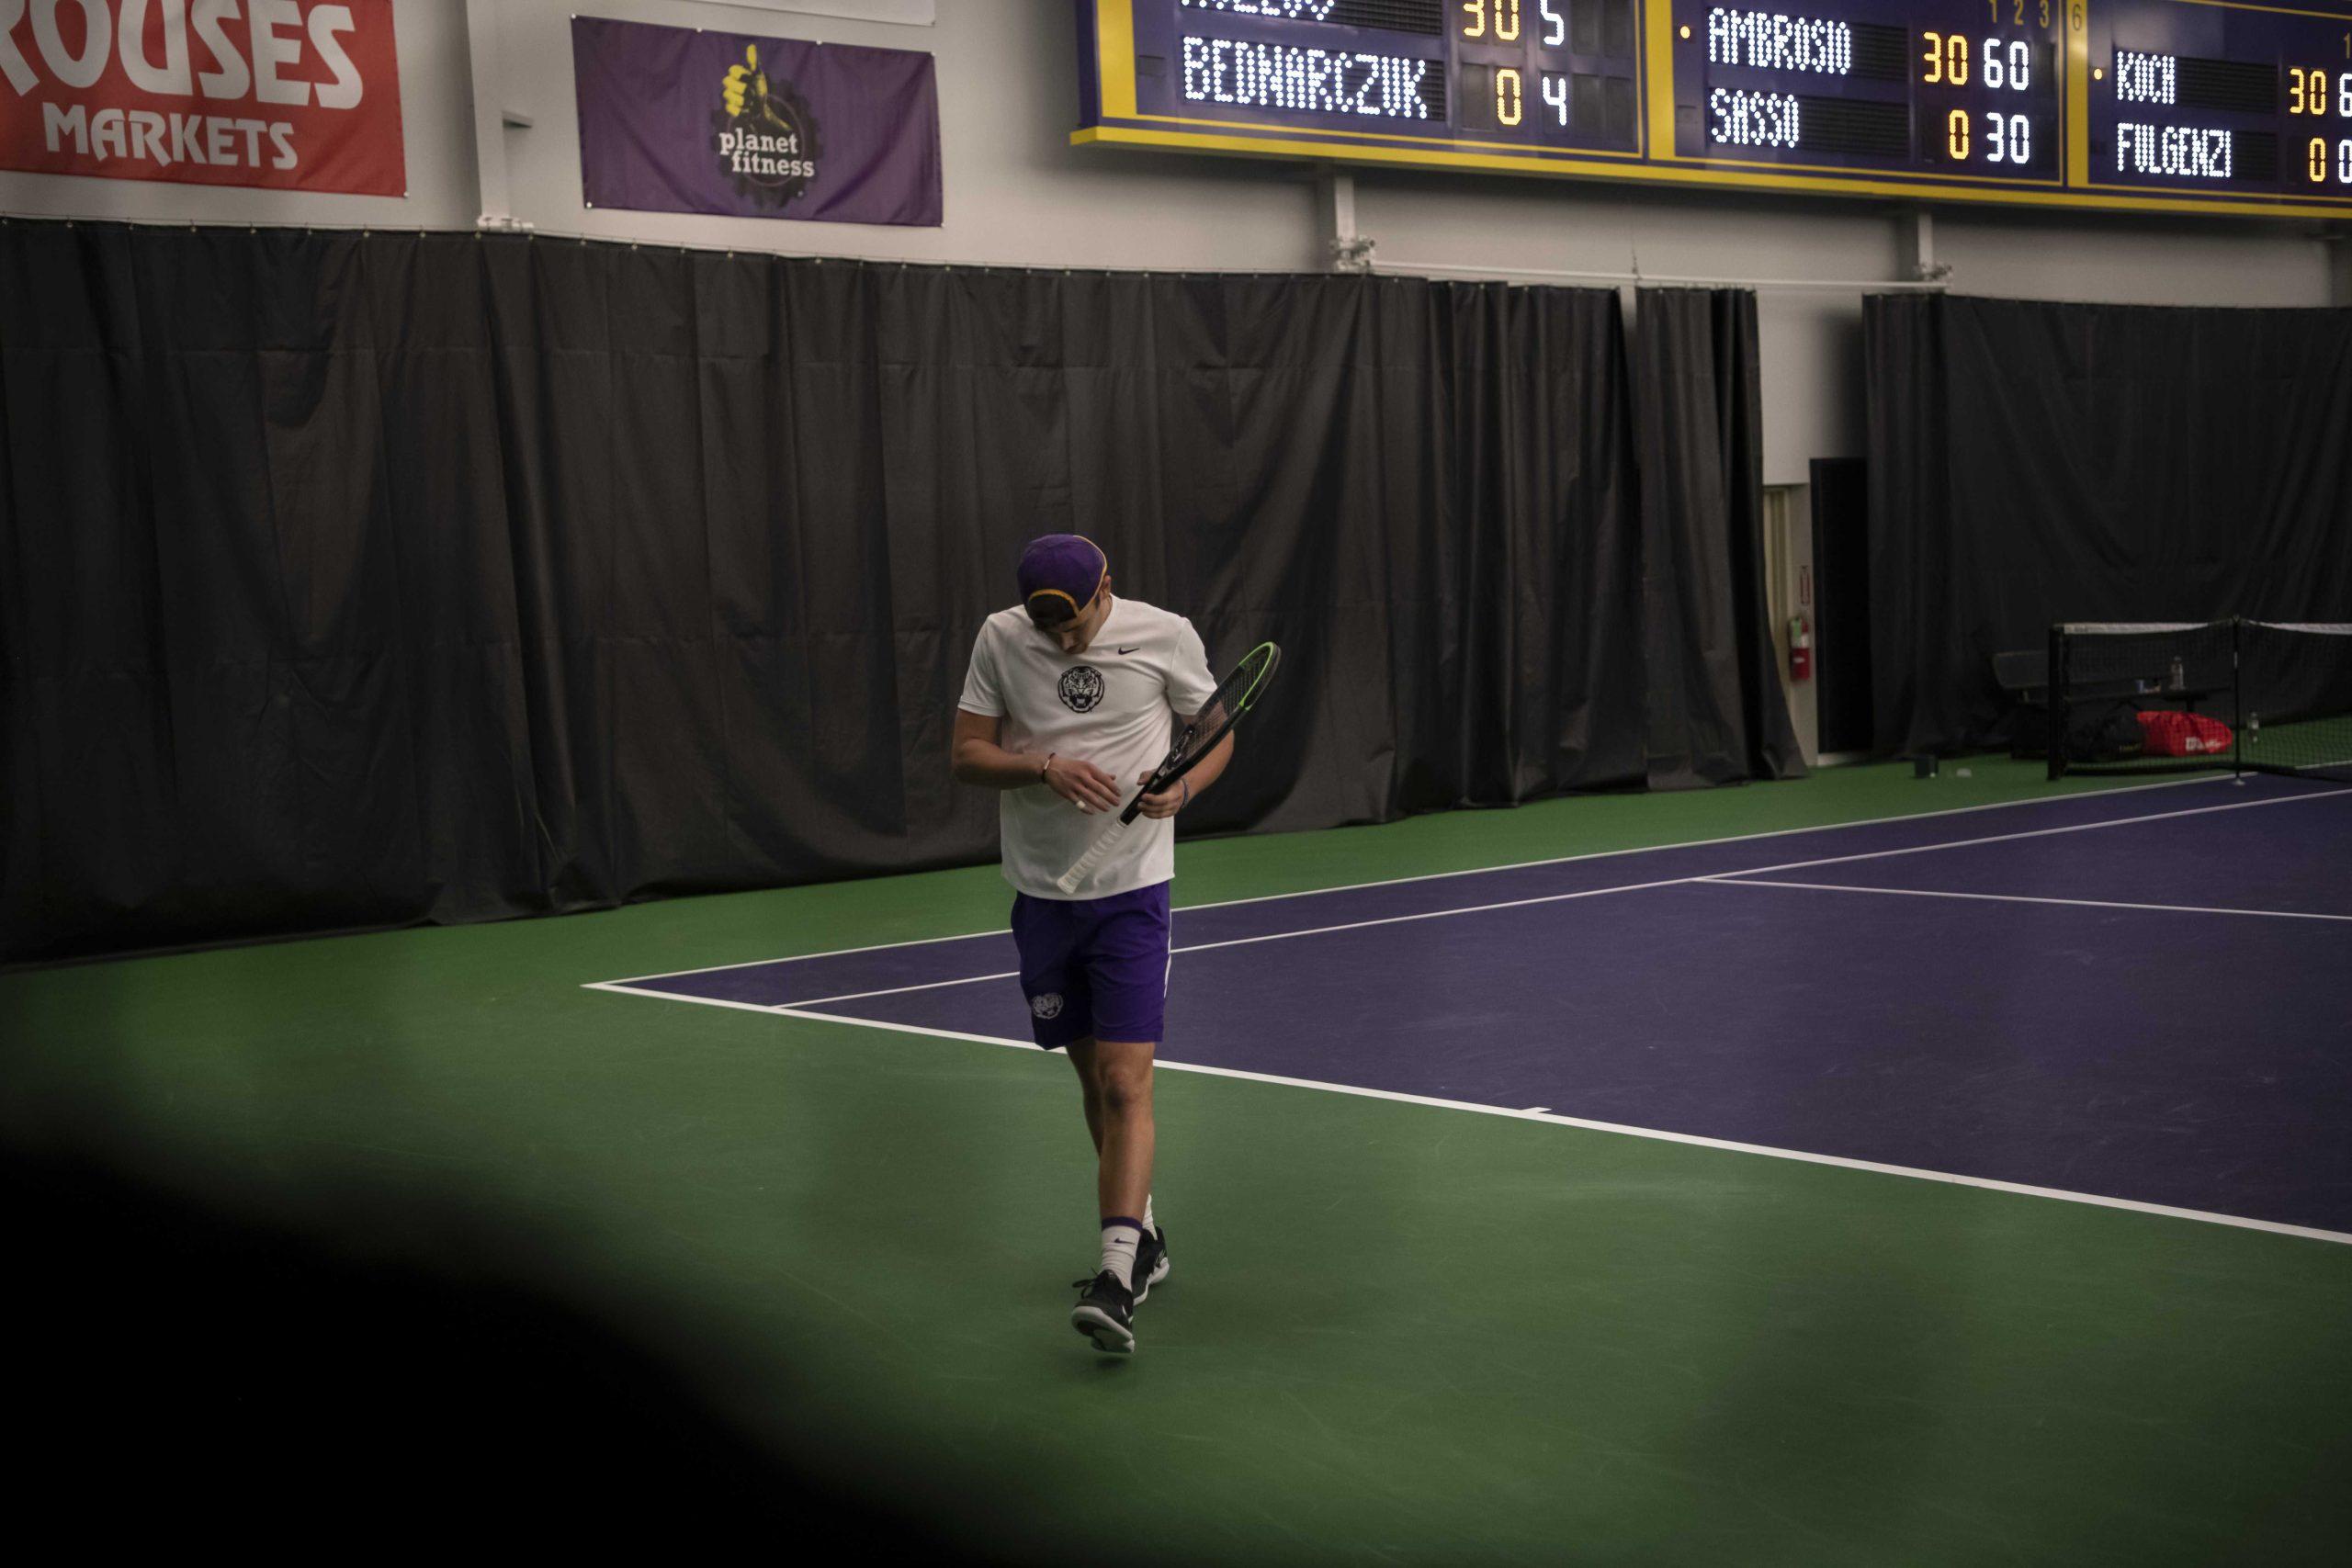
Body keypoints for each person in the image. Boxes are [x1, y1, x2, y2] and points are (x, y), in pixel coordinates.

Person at [950, 535, 1229, 1354]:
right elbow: (967, 753)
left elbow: (1216, 731)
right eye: (1049, 629)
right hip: (1043, 894)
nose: (1063, 642)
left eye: (1073, 625)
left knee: (1123, 1078)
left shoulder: (1165, 634)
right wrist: (1041, 766)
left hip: (1134, 892)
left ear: (1108, 586)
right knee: (1091, 1081)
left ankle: (1116, 1275)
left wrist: (1184, 783)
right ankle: (1144, 1231)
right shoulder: (1001, 638)